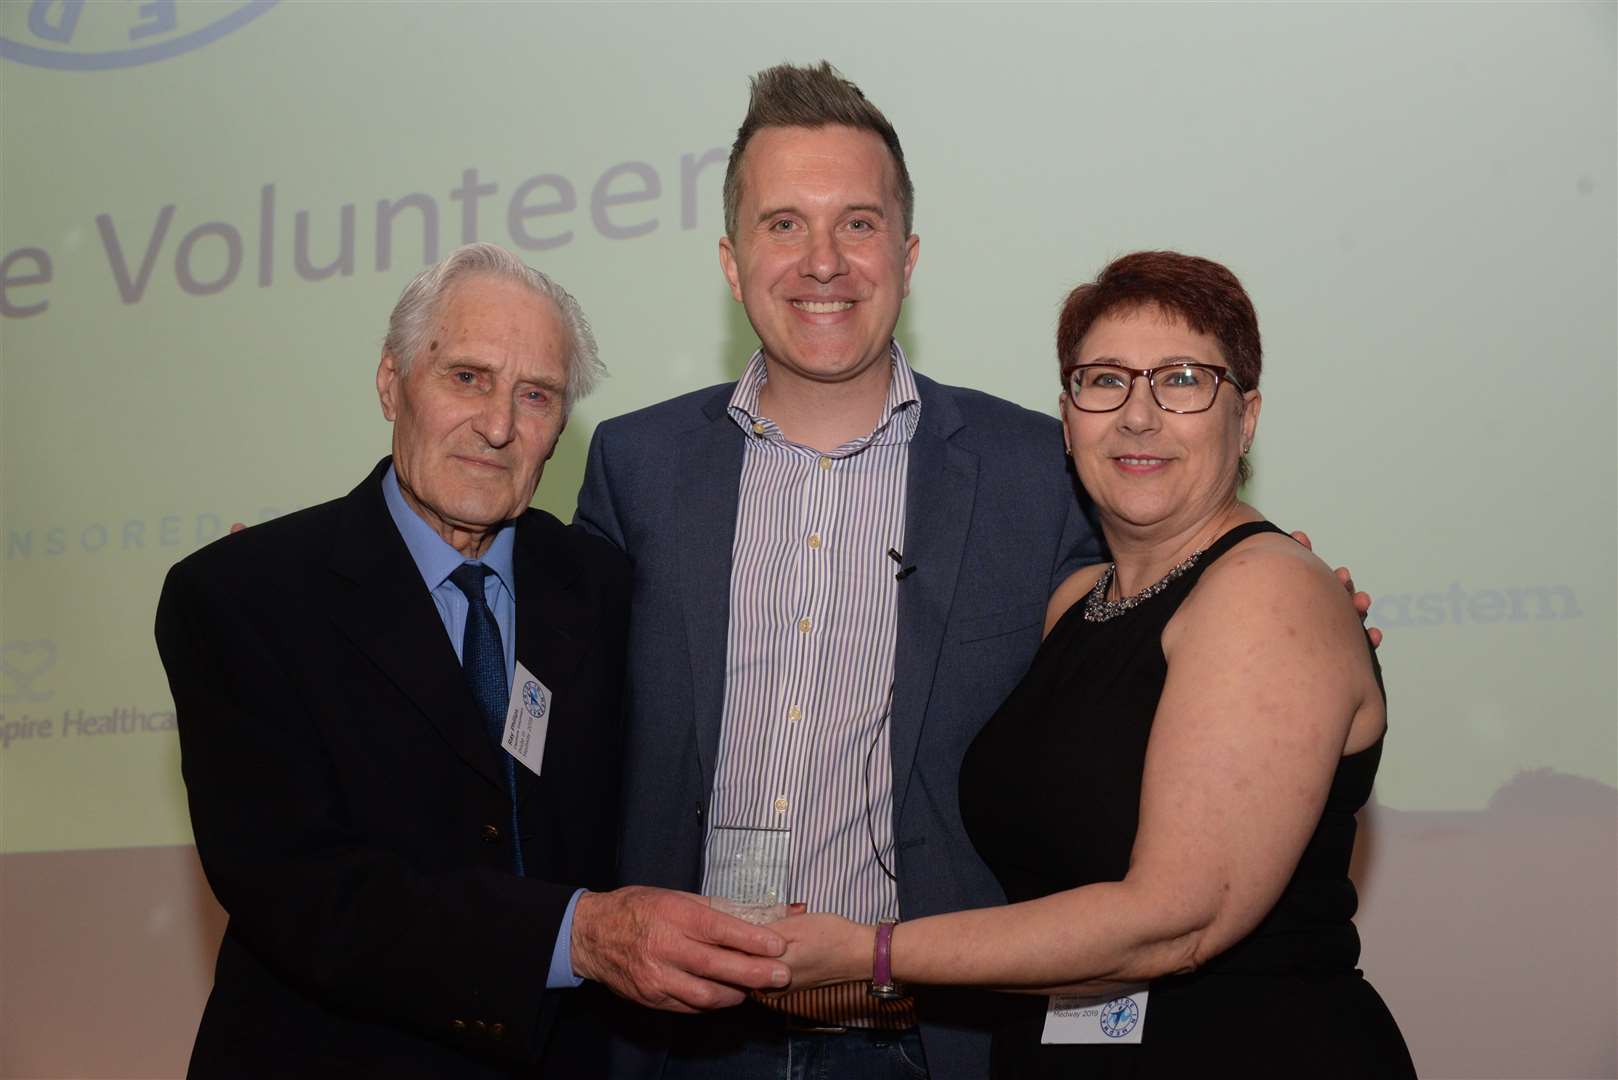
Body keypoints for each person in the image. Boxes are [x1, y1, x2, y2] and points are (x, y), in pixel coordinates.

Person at [574, 66, 1371, 1080]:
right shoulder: (635, 467)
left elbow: (1160, 626)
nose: (823, 262)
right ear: (732, 265)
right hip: (681, 1038)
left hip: (932, 1043)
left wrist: (1295, 610)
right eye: (783, 225)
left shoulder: (1038, 468)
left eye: (857, 224)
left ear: (907, 257)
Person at [770, 251, 1417, 1077]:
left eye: (1182, 380)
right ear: (1068, 419)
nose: (1138, 416)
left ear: (1246, 417)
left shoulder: (1269, 591)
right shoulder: (1074, 601)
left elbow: (1175, 921)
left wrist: (874, 954)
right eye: (1104, 380)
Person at [155, 243, 789, 1080]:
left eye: (536, 395)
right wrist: (578, 937)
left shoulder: (601, 589)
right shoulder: (245, 597)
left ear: (560, 428)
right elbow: (300, 890)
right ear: (391, 383)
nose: (498, 425)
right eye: (467, 377)